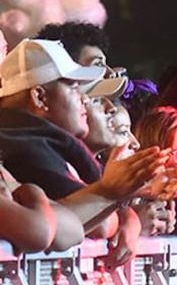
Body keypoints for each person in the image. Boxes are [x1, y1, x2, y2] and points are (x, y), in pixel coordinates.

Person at [0, 39, 167, 260]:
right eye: (73, 86)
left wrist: (119, 203)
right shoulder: (26, 144)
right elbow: (45, 231)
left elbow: (68, 226)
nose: (85, 99)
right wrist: (111, 193)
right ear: (40, 97)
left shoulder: (38, 140)